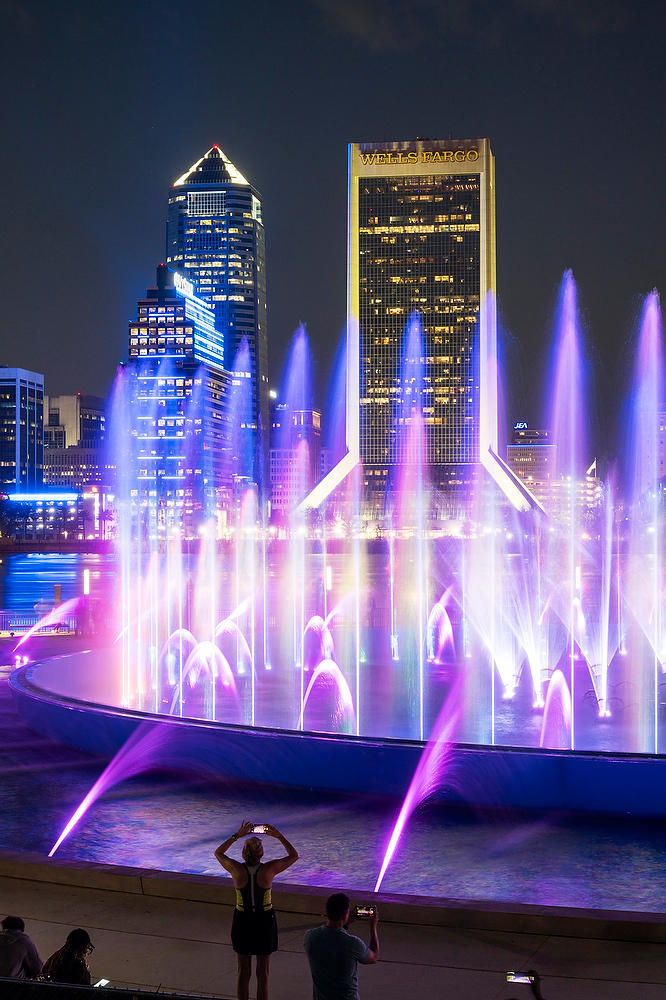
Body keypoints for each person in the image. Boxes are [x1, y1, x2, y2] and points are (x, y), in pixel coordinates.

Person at [215, 820, 298, 1000]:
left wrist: (238, 835)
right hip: (264, 920)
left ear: (244, 853)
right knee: (263, 973)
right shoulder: (269, 870)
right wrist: (279, 836)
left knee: (243, 972)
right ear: (262, 853)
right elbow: (293, 856)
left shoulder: (236, 870)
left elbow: (218, 853)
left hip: (242, 919)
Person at [304, 893, 379, 1000]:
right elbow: (374, 957)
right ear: (345, 915)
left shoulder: (310, 937)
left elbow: (331, 938)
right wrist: (373, 926)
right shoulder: (353, 944)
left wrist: (345, 922)